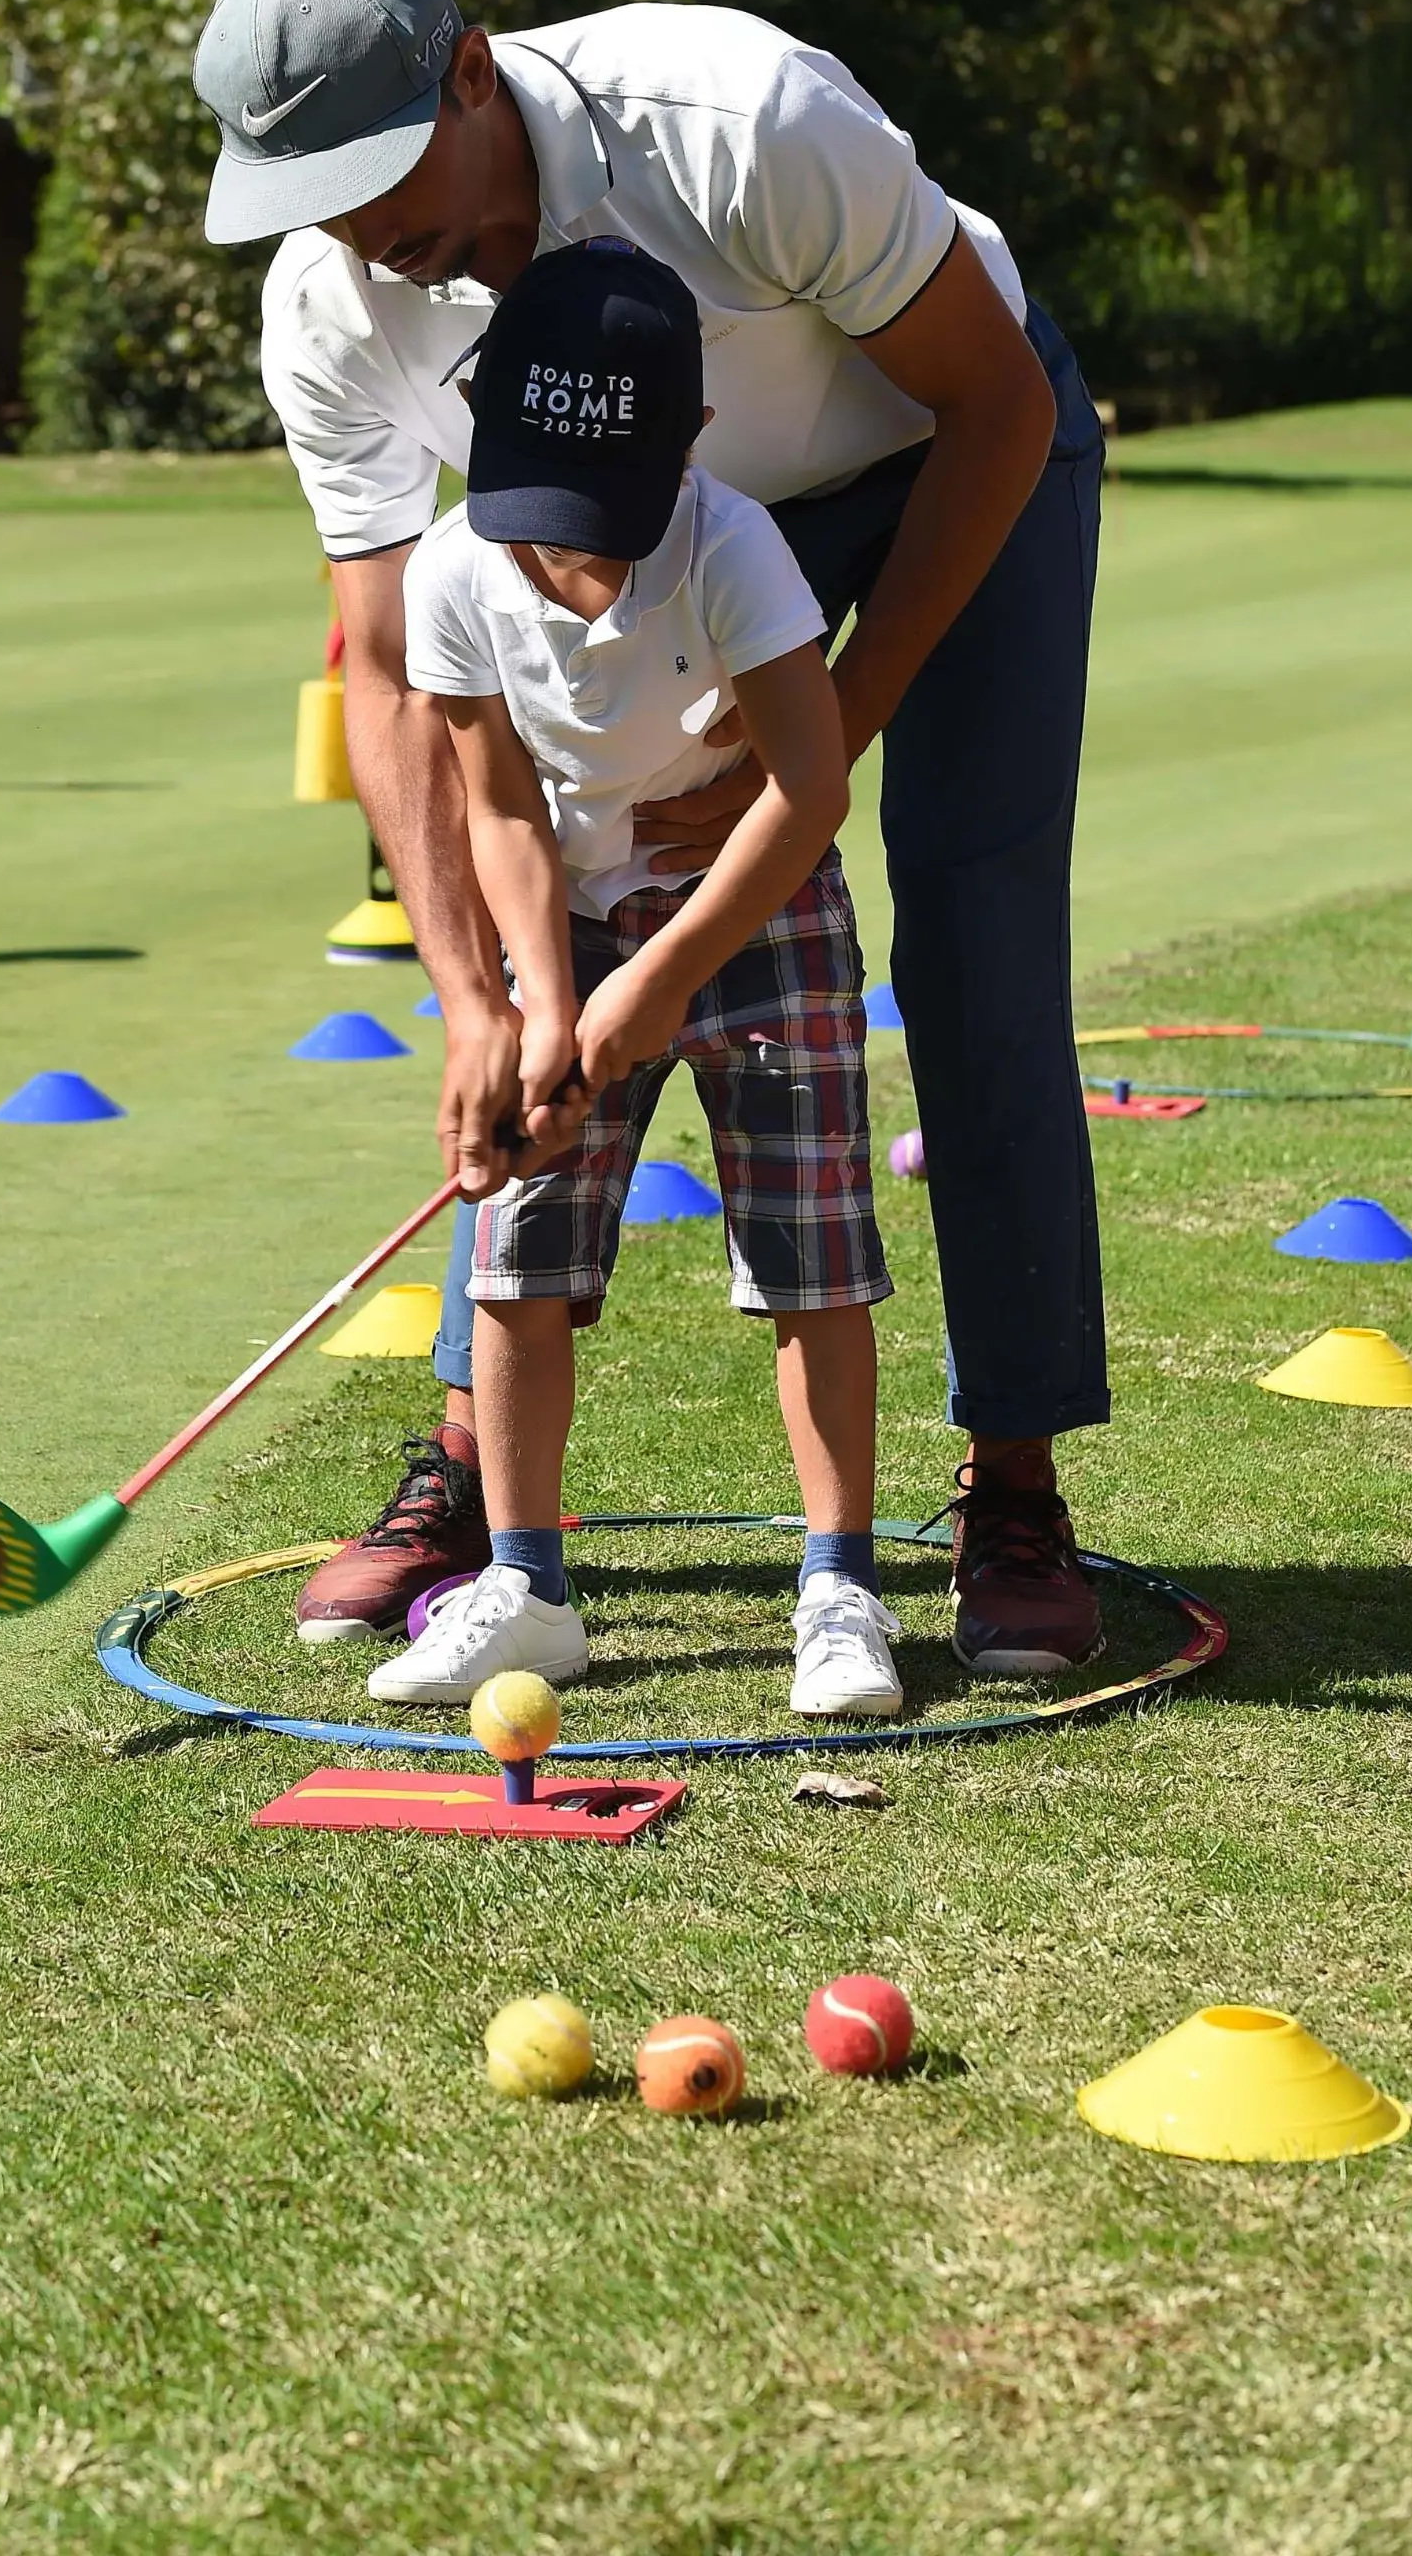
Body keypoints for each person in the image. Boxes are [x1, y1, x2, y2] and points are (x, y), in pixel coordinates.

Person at [191, 0, 1110, 1680]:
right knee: (560, 976)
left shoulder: (735, 116)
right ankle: (482, 1480)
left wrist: (815, 733)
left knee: (978, 943)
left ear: (471, 69)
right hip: (622, 543)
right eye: (320, 201)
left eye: (388, 181)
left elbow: (991, 402)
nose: (372, 241)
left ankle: (1011, 1483)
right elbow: (389, 670)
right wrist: (469, 994)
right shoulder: (331, 297)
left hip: (940, 457)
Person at [363, 236, 901, 1718]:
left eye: (605, 526)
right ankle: (528, 1587)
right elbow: (497, 808)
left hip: (759, 909)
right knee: (521, 1259)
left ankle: (841, 1584)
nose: (577, 567)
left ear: (693, 447)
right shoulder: (460, 569)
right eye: (549, 524)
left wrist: (664, 972)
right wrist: (544, 993)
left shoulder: (732, 546)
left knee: (813, 1257)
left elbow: (807, 790)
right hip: (578, 925)